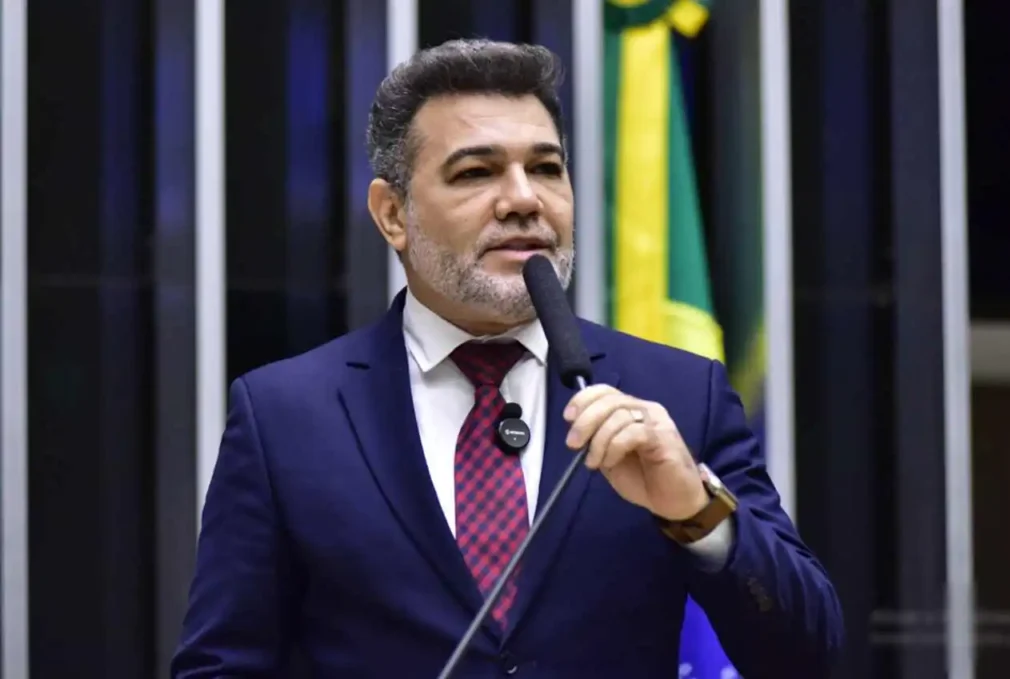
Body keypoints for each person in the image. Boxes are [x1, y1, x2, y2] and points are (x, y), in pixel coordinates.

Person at [172, 39, 843, 678]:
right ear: (393, 214)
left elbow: (807, 654)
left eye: (546, 168)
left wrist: (694, 510)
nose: (524, 198)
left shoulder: (678, 392)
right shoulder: (286, 415)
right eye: (476, 172)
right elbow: (222, 665)